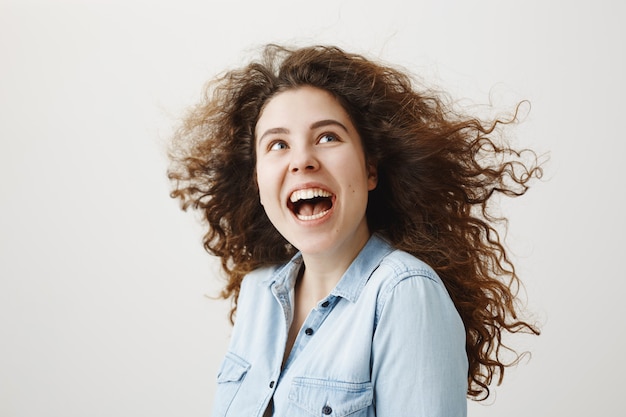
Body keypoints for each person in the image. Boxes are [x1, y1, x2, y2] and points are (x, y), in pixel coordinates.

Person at [167, 44, 542, 417]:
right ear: (257, 181)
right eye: (278, 144)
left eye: (327, 137)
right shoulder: (257, 293)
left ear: (370, 170)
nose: (301, 160)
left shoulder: (403, 293)